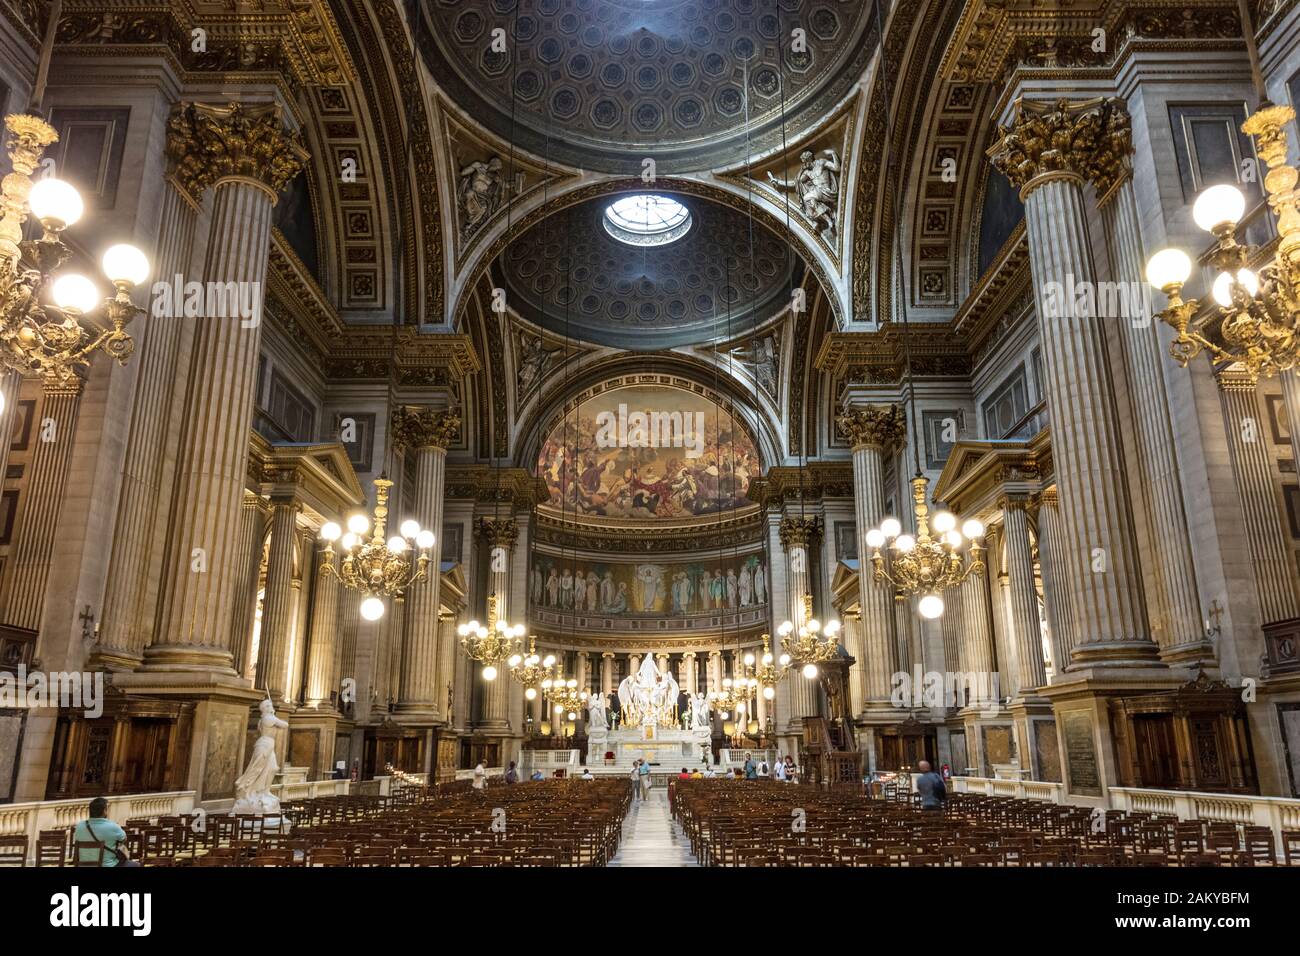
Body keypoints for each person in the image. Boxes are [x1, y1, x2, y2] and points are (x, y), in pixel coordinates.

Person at [74, 797, 134, 867]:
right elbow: (124, 839)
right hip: (108, 865)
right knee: (135, 865)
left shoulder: (79, 826)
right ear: (104, 811)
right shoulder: (113, 826)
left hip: (82, 866)